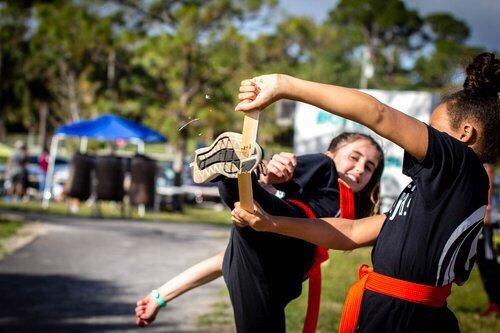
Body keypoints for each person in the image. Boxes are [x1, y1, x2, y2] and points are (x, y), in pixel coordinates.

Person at [231, 52, 499, 332]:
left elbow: (377, 114)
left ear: (465, 134)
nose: (424, 135)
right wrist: (272, 224)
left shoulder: (461, 164)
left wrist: (284, 85)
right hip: (390, 313)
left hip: (406, 319)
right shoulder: (438, 194)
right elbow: (352, 232)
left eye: (433, 130)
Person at [135, 132, 385, 332]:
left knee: (249, 213)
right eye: (354, 157)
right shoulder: (325, 167)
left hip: (269, 278)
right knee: (262, 206)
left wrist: (159, 297)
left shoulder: (354, 215)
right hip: (288, 231)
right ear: (332, 152)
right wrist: (272, 173)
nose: (361, 168)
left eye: (369, 167)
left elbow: (221, 261)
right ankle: (237, 171)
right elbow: (289, 172)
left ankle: (233, 174)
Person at [477, 163, 500, 316]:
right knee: (483, 261)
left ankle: (496, 302)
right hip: (484, 217)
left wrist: (487, 208)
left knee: (488, 261)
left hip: (488, 219)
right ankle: (494, 302)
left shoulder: (487, 160)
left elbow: (488, 171)